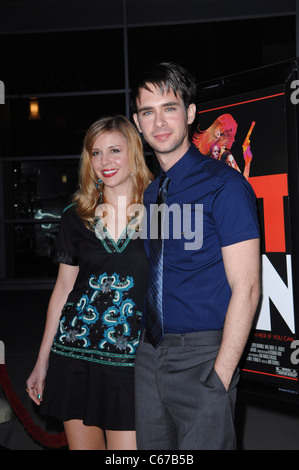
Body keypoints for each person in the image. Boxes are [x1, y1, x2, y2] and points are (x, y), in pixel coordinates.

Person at [131, 62, 261, 450]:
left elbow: (248, 287)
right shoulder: (152, 194)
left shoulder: (225, 186)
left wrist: (220, 375)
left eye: (169, 107)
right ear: (137, 123)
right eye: (147, 112)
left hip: (203, 356)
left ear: (189, 114)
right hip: (149, 355)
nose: (159, 121)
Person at [26, 115, 152, 450]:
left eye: (114, 150)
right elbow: (63, 291)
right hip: (74, 354)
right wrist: (42, 360)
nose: (105, 161)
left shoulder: (159, 211)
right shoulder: (75, 216)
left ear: (134, 152)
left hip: (132, 363)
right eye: (95, 153)